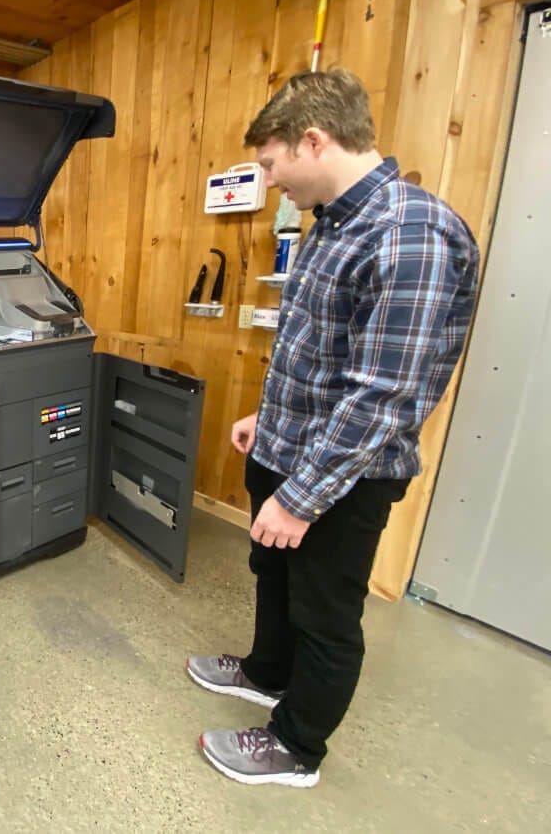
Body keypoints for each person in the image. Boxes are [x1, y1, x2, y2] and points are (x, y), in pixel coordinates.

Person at [187, 69, 480, 787]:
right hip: (291, 449)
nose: (270, 180)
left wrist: (301, 495)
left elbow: (382, 393)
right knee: (275, 576)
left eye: (271, 164)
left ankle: (297, 748)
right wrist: (272, 416)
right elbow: (320, 347)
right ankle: (264, 672)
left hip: (344, 477)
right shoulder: (332, 225)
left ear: (312, 140)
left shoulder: (410, 233)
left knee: (324, 614)